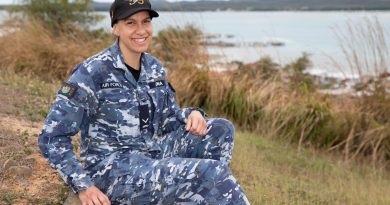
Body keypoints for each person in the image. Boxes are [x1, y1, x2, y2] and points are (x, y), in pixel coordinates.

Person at [38, 0, 250, 204]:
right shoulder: (93, 72)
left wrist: (193, 114)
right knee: (212, 172)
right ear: (115, 28)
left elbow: (168, 119)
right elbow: (51, 136)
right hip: (113, 171)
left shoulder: (154, 67)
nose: (141, 30)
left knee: (221, 129)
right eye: (130, 23)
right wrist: (83, 186)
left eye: (146, 21)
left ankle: (203, 197)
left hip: (152, 155)